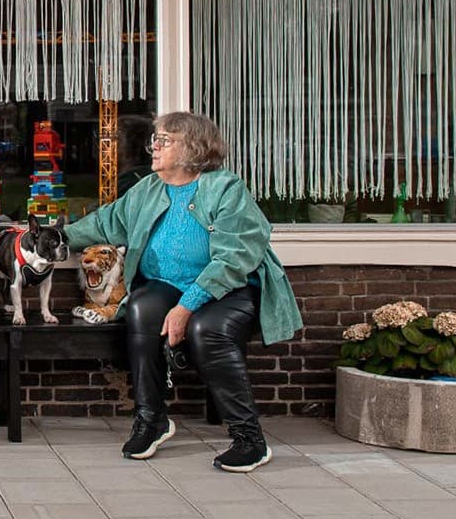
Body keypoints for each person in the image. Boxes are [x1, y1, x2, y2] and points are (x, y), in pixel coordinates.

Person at [64, 110, 302, 472]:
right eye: (154, 139)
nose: (153, 147)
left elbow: (235, 258)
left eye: (164, 141)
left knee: (206, 330)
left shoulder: (225, 189)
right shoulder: (148, 188)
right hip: (168, 286)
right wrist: (51, 240)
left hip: (230, 290)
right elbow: (105, 222)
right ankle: (151, 418)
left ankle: (249, 438)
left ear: (192, 148)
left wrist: (187, 306)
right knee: (142, 307)